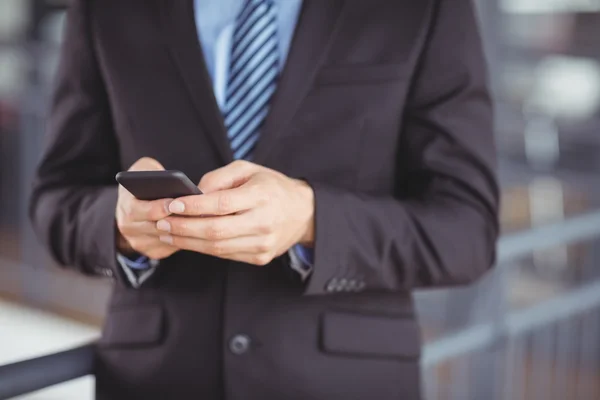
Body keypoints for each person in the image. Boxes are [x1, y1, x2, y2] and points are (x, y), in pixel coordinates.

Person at [29, 0, 500, 398]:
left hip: (344, 382)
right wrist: (118, 227)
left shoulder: (424, 8)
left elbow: (466, 229)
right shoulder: (104, 8)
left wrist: (312, 219)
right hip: (156, 378)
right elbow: (56, 197)